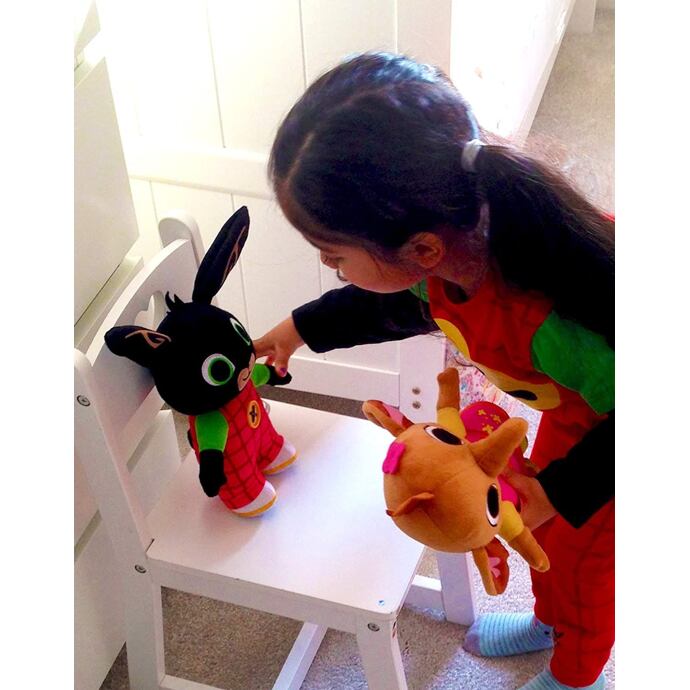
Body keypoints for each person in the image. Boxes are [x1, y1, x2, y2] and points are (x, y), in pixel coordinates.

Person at [254, 52, 614, 690]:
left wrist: (560, 492)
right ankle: (549, 621)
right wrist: (299, 329)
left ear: (421, 248)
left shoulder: (554, 321)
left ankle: (577, 674)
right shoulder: (446, 260)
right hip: (581, 413)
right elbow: (382, 306)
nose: (332, 271)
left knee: (588, 564)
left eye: (334, 257)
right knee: (549, 537)